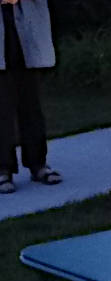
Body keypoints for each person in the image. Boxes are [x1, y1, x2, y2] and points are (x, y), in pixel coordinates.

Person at [0, 0, 62, 195]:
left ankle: (38, 164)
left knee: (31, 104)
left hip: (26, 26)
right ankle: (3, 169)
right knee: (2, 106)